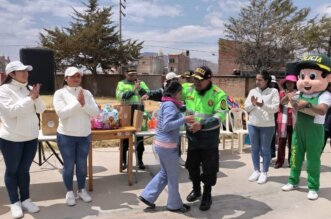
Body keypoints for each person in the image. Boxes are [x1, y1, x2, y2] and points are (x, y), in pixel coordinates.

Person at [138, 81, 194, 213]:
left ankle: (148, 196)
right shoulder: (170, 105)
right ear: (175, 93)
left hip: (161, 144)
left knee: (164, 173)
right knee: (173, 176)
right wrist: (185, 119)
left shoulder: (167, 102)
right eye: (180, 93)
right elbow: (167, 125)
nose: (181, 96)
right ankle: (174, 205)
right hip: (167, 146)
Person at [282, 54, 331, 200]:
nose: (306, 81)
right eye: (302, 76)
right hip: (299, 129)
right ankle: (293, 181)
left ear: (327, 78)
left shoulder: (325, 94)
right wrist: (288, 96)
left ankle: (313, 187)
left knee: (312, 160)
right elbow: (284, 103)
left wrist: (308, 104)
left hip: (315, 131)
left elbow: (322, 110)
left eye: (311, 76)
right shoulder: (299, 93)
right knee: (295, 157)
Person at [0, 61, 45, 218]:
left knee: (24, 171)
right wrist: (30, 99)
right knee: (12, 171)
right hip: (11, 138)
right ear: (12, 74)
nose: (26, 73)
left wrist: (36, 97)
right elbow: (10, 112)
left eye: (27, 70)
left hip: (31, 136)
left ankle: (26, 199)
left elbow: (41, 109)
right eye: (22, 71)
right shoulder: (3, 90)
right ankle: (14, 202)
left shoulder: (28, 89)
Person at [182, 66, 228, 211]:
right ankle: (196, 189)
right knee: (191, 166)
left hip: (209, 140)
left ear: (209, 79)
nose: (196, 82)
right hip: (193, 138)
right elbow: (171, 91)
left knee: (209, 169)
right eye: (195, 79)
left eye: (200, 80)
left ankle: (207, 194)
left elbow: (219, 116)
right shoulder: (189, 89)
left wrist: (201, 124)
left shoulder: (218, 94)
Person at [53, 67, 99, 206]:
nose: (76, 78)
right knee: (68, 166)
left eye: (79, 76)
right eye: (73, 76)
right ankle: (69, 191)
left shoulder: (86, 93)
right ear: (66, 78)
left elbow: (95, 112)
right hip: (66, 136)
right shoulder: (59, 93)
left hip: (84, 135)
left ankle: (81, 189)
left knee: (81, 166)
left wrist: (84, 104)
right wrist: (78, 103)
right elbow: (62, 113)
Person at [244, 70, 280, 184]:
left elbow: (275, 108)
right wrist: (253, 104)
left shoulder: (273, 91)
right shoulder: (252, 91)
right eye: (256, 79)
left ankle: (264, 172)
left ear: (266, 80)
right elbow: (246, 107)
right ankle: (256, 171)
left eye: (260, 80)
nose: (257, 82)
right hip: (253, 124)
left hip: (267, 126)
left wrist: (262, 105)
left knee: (265, 150)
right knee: (254, 149)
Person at [116, 67, 149, 170]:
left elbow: (147, 94)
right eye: (130, 74)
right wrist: (134, 90)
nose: (132, 76)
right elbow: (121, 97)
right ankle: (123, 161)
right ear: (125, 74)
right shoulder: (121, 84)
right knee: (125, 136)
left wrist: (139, 88)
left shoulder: (141, 83)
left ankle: (140, 160)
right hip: (126, 112)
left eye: (134, 74)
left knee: (139, 137)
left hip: (139, 110)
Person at [275, 74, 297, 168]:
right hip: (282, 121)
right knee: (281, 143)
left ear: (295, 84)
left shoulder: (298, 93)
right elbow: (280, 103)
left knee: (293, 143)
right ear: (285, 83)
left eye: (292, 83)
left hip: (293, 121)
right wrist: (287, 95)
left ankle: (292, 162)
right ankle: (279, 161)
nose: (290, 84)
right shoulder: (281, 93)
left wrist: (292, 97)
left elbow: (297, 106)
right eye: (288, 83)